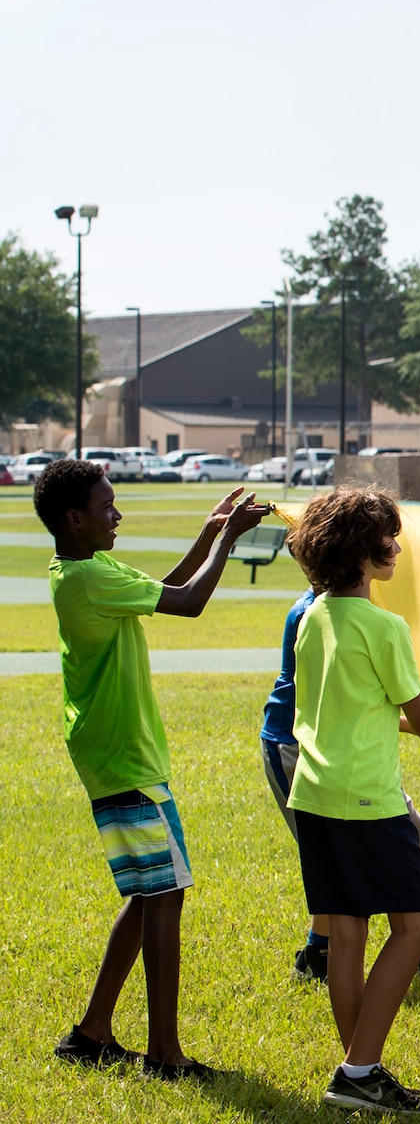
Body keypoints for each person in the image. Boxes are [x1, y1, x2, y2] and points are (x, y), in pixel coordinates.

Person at [40, 461, 270, 1079]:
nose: (117, 515)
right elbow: (190, 603)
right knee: (166, 892)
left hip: (116, 751)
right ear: (74, 519)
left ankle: (91, 1033)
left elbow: (163, 590)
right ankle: (164, 1054)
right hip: (124, 756)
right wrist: (229, 541)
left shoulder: (86, 569)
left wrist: (207, 531)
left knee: (149, 892)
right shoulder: (87, 580)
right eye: (107, 506)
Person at [287, 487, 420, 1114]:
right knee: (417, 926)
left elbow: (349, 706)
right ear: (358, 551)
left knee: (345, 935)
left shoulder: (313, 615)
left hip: (312, 795)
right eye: (386, 538)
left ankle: (359, 1071)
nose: (395, 547)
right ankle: (359, 1071)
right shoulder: (385, 626)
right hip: (367, 801)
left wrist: (419, 722)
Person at [261, 586, 420, 985]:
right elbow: (340, 706)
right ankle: (322, 951)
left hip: (356, 760)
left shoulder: (345, 611)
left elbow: (363, 705)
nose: (398, 550)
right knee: (340, 868)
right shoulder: (315, 615)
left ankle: (409, 945)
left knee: (415, 837)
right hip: (300, 751)